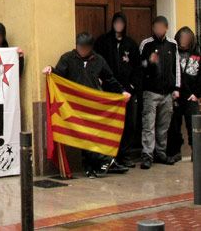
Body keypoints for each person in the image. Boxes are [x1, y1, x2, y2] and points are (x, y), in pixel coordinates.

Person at [43, 32, 131, 178]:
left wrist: (122, 92)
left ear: (90, 48)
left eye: (85, 48)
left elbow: (109, 78)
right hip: (75, 106)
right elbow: (58, 75)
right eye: (79, 47)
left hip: (93, 104)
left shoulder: (99, 60)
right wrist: (50, 70)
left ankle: (101, 162)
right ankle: (100, 162)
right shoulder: (68, 58)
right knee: (82, 136)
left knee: (94, 135)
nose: (82, 50)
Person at [94, 12, 141, 168]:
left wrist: (132, 87)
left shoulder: (131, 44)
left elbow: (138, 68)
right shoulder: (103, 42)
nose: (119, 25)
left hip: (128, 92)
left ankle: (125, 155)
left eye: (122, 22)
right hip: (110, 91)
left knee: (129, 124)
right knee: (111, 124)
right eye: (117, 22)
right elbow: (96, 62)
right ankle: (110, 156)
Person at [139, 16, 180, 169]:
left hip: (168, 92)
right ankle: (147, 155)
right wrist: (149, 61)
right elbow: (139, 65)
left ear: (166, 28)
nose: (159, 30)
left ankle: (160, 152)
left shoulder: (172, 44)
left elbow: (176, 67)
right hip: (151, 91)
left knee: (164, 125)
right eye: (156, 27)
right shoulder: (146, 44)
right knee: (148, 124)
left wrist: (177, 87)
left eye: (162, 27)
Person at [166, 27, 201, 162]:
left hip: (191, 97)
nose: (184, 40)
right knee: (174, 126)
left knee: (193, 126)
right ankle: (175, 152)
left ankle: (196, 152)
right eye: (181, 37)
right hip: (176, 96)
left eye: (186, 38)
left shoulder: (197, 54)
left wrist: (197, 95)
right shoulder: (173, 54)